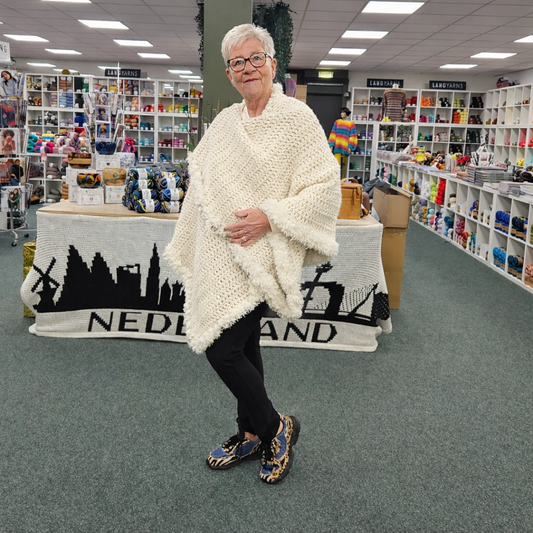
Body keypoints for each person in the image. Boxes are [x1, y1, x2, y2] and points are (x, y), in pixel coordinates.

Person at [164, 23, 341, 484]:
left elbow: (325, 189)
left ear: (272, 63)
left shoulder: (297, 119)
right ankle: (249, 432)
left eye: (255, 58)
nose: (248, 68)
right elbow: (202, 183)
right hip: (225, 257)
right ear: (229, 74)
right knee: (244, 346)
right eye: (238, 63)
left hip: (263, 257)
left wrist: (270, 216)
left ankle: (275, 428)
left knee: (222, 351)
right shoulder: (225, 123)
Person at [328, 107, 358, 179]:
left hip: (345, 147)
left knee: (344, 165)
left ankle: (342, 181)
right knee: (336, 164)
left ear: (346, 113)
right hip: (337, 146)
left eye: (343, 112)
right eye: (341, 112)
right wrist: (331, 146)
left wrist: (350, 147)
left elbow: (352, 136)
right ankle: (335, 180)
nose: (341, 114)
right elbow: (333, 133)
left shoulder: (351, 123)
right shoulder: (337, 122)